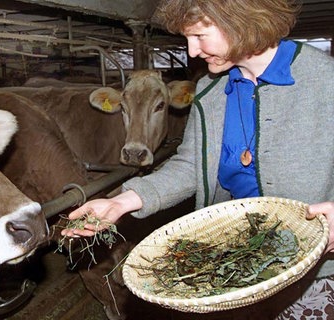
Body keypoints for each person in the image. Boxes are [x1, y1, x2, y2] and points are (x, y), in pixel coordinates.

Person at [62, 0, 334, 318]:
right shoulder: (211, 90)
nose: (192, 52)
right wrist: (122, 202)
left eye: (200, 36)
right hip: (234, 258)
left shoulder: (324, 80)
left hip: (316, 265)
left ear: (241, 23)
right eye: (187, 38)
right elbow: (191, 164)